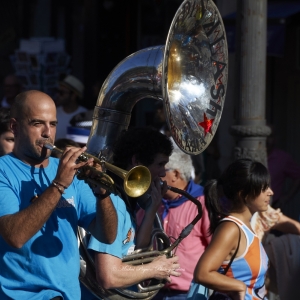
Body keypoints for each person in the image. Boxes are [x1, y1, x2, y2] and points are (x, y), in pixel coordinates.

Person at [0, 90, 117, 300]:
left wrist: (102, 193)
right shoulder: (3, 171)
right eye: (37, 123)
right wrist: (59, 184)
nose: (47, 133)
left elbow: (107, 236)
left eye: (52, 124)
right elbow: (15, 237)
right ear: (15, 127)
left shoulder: (66, 170)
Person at [86, 127, 181, 294]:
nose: (162, 173)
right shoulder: (113, 204)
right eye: (160, 164)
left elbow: (138, 252)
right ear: (136, 161)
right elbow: (108, 277)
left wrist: (151, 210)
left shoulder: (125, 201)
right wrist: (154, 269)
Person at [192, 158, 272, 300]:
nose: (270, 192)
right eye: (264, 187)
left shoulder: (245, 227)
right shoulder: (230, 228)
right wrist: (238, 286)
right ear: (243, 194)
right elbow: (202, 273)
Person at [137, 148, 211, 299]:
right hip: (153, 290)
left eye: (162, 169)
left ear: (176, 175)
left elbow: (215, 248)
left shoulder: (202, 204)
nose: (156, 175)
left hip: (188, 293)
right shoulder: (152, 201)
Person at [267, 126, 300, 210]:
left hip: (272, 207)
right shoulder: (249, 154)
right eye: (264, 136)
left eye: (270, 136)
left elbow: (298, 177)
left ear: (274, 138)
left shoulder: (282, 158)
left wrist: (286, 197)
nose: (267, 140)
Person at [55, 75, 88, 140]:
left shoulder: (85, 115)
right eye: (58, 91)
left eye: (62, 93)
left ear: (73, 95)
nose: (57, 95)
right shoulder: (54, 113)